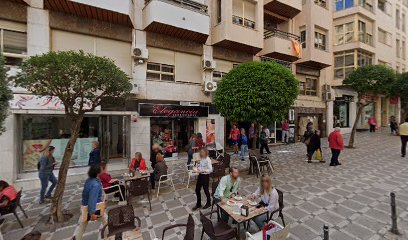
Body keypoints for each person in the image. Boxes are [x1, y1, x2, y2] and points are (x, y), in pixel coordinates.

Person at [75, 165, 104, 240]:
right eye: (101, 170)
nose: (102, 171)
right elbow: (92, 199)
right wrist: (92, 213)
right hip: (95, 207)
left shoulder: (89, 180)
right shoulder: (95, 184)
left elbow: (85, 194)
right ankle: (110, 236)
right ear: (98, 173)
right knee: (108, 222)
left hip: (85, 206)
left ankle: (77, 238)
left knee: (82, 225)